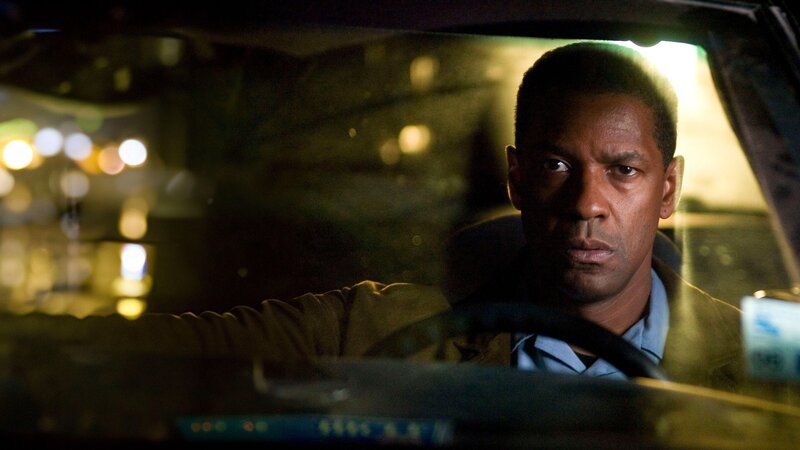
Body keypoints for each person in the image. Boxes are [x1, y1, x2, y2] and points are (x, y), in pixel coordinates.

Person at [1, 42, 744, 393]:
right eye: (556, 166)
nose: (586, 203)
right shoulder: (388, 331)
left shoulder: (758, 366)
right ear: (517, 179)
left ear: (668, 189)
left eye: (623, 171)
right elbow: (160, 350)